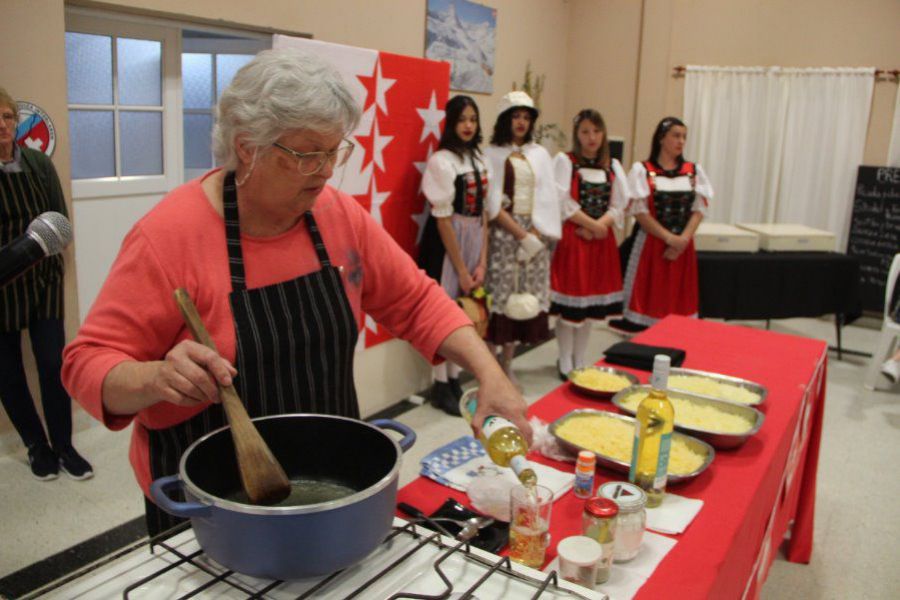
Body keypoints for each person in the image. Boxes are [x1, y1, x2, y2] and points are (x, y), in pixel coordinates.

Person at [60, 49, 530, 536]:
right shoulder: (168, 238)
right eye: (309, 154)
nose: (327, 171)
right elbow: (85, 363)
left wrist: (489, 372)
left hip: (330, 486)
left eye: (335, 152)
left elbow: (415, 300)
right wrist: (156, 378)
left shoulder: (337, 216)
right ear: (248, 148)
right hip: (211, 507)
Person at [0, 88, 92, 482]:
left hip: (43, 281)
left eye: (6, 117)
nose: (1, 126)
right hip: (0, 287)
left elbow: (61, 222)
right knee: (7, 374)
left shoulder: (38, 163)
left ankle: (65, 446)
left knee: (54, 365)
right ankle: (37, 447)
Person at [482, 91, 563, 384]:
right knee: (500, 298)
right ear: (506, 119)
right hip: (504, 236)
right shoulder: (491, 153)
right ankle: (490, 368)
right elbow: (491, 202)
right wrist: (519, 235)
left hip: (535, 235)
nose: (521, 122)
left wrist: (535, 237)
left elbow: (548, 198)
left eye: (526, 117)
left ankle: (508, 362)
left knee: (523, 299)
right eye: (516, 116)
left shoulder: (539, 154)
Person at [417, 95, 490, 415]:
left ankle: (455, 376)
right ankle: (440, 382)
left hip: (474, 237)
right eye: (462, 120)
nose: (468, 126)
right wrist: (460, 266)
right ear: (451, 123)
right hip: (448, 244)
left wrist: (482, 260)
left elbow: (485, 213)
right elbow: (442, 218)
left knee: (466, 313)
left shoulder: (479, 159)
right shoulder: (441, 161)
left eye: (472, 119)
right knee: (444, 310)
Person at [609, 116, 713, 333]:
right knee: (651, 297)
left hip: (682, 247)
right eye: (676, 135)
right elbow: (640, 212)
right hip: (652, 245)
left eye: (684, 136)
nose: (681, 141)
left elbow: (699, 209)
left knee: (678, 299)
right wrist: (669, 238)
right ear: (661, 138)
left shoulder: (693, 171)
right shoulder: (643, 170)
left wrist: (682, 240)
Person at [550, 109, 629, 378]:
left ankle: (581, 359)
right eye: (585, 131)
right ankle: (564, 359)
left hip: (600, 243)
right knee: (571, 306)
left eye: (596, 131)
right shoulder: (566, 162)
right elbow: (562, 202)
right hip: (574, 240)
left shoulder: (613, 167)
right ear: (577, 135)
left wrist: (600, 227)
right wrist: (591, 225)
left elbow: (619, 204)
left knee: (590, 307)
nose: (591, 137)